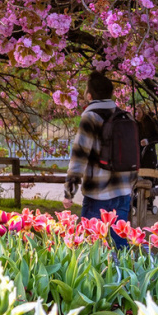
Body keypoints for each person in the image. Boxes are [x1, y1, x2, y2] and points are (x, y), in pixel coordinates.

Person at [61, 71, 134, 239]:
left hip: (98, 194)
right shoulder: (125, 116)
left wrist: (69, 192)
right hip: (123, 192)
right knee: (120, 247)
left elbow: (79, 157)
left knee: (91, 246)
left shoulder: (90, 117)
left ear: (89, 95)